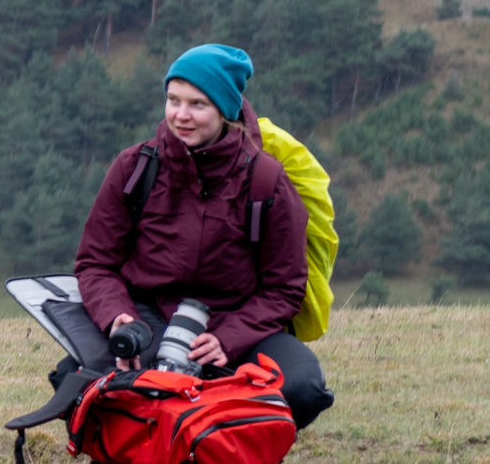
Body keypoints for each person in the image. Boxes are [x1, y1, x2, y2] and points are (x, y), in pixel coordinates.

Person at [74, 43, 334, 430]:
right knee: (82, 378)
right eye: (173, 100)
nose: (181, 115)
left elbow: (284, 288)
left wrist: (227, 340)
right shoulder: (135, 168)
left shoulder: (266, 181)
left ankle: (231, 440)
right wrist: (118, 318)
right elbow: (96, 262)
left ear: (226, 110)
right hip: (150, 318)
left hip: (235, 326)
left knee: (302, 386)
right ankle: (185, 433)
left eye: (198, 104)